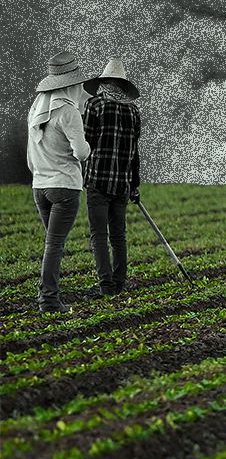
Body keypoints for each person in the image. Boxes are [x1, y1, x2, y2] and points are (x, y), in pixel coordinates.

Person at [28, 54, 94, 313]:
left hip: (39, 186)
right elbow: (80, 152)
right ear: (70, 84)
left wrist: (39, 174)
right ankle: (49, 300)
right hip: (64, 186)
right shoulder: (68, 112)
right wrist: (89, 145)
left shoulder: (36, 110)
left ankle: (47, 293)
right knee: (54, 244)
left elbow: (30, 155)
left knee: (50, 243)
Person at [82, 59, 143, 297]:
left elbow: (86, 144)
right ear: (122, 85)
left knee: (99, 235)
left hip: (98, 180)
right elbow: (134, 153)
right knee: (119, 236)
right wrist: (134, 185)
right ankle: (119, 284)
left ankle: (106, 286)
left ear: (104, 82)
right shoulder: (133, 111)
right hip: (122, 183)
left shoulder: (95, 105)